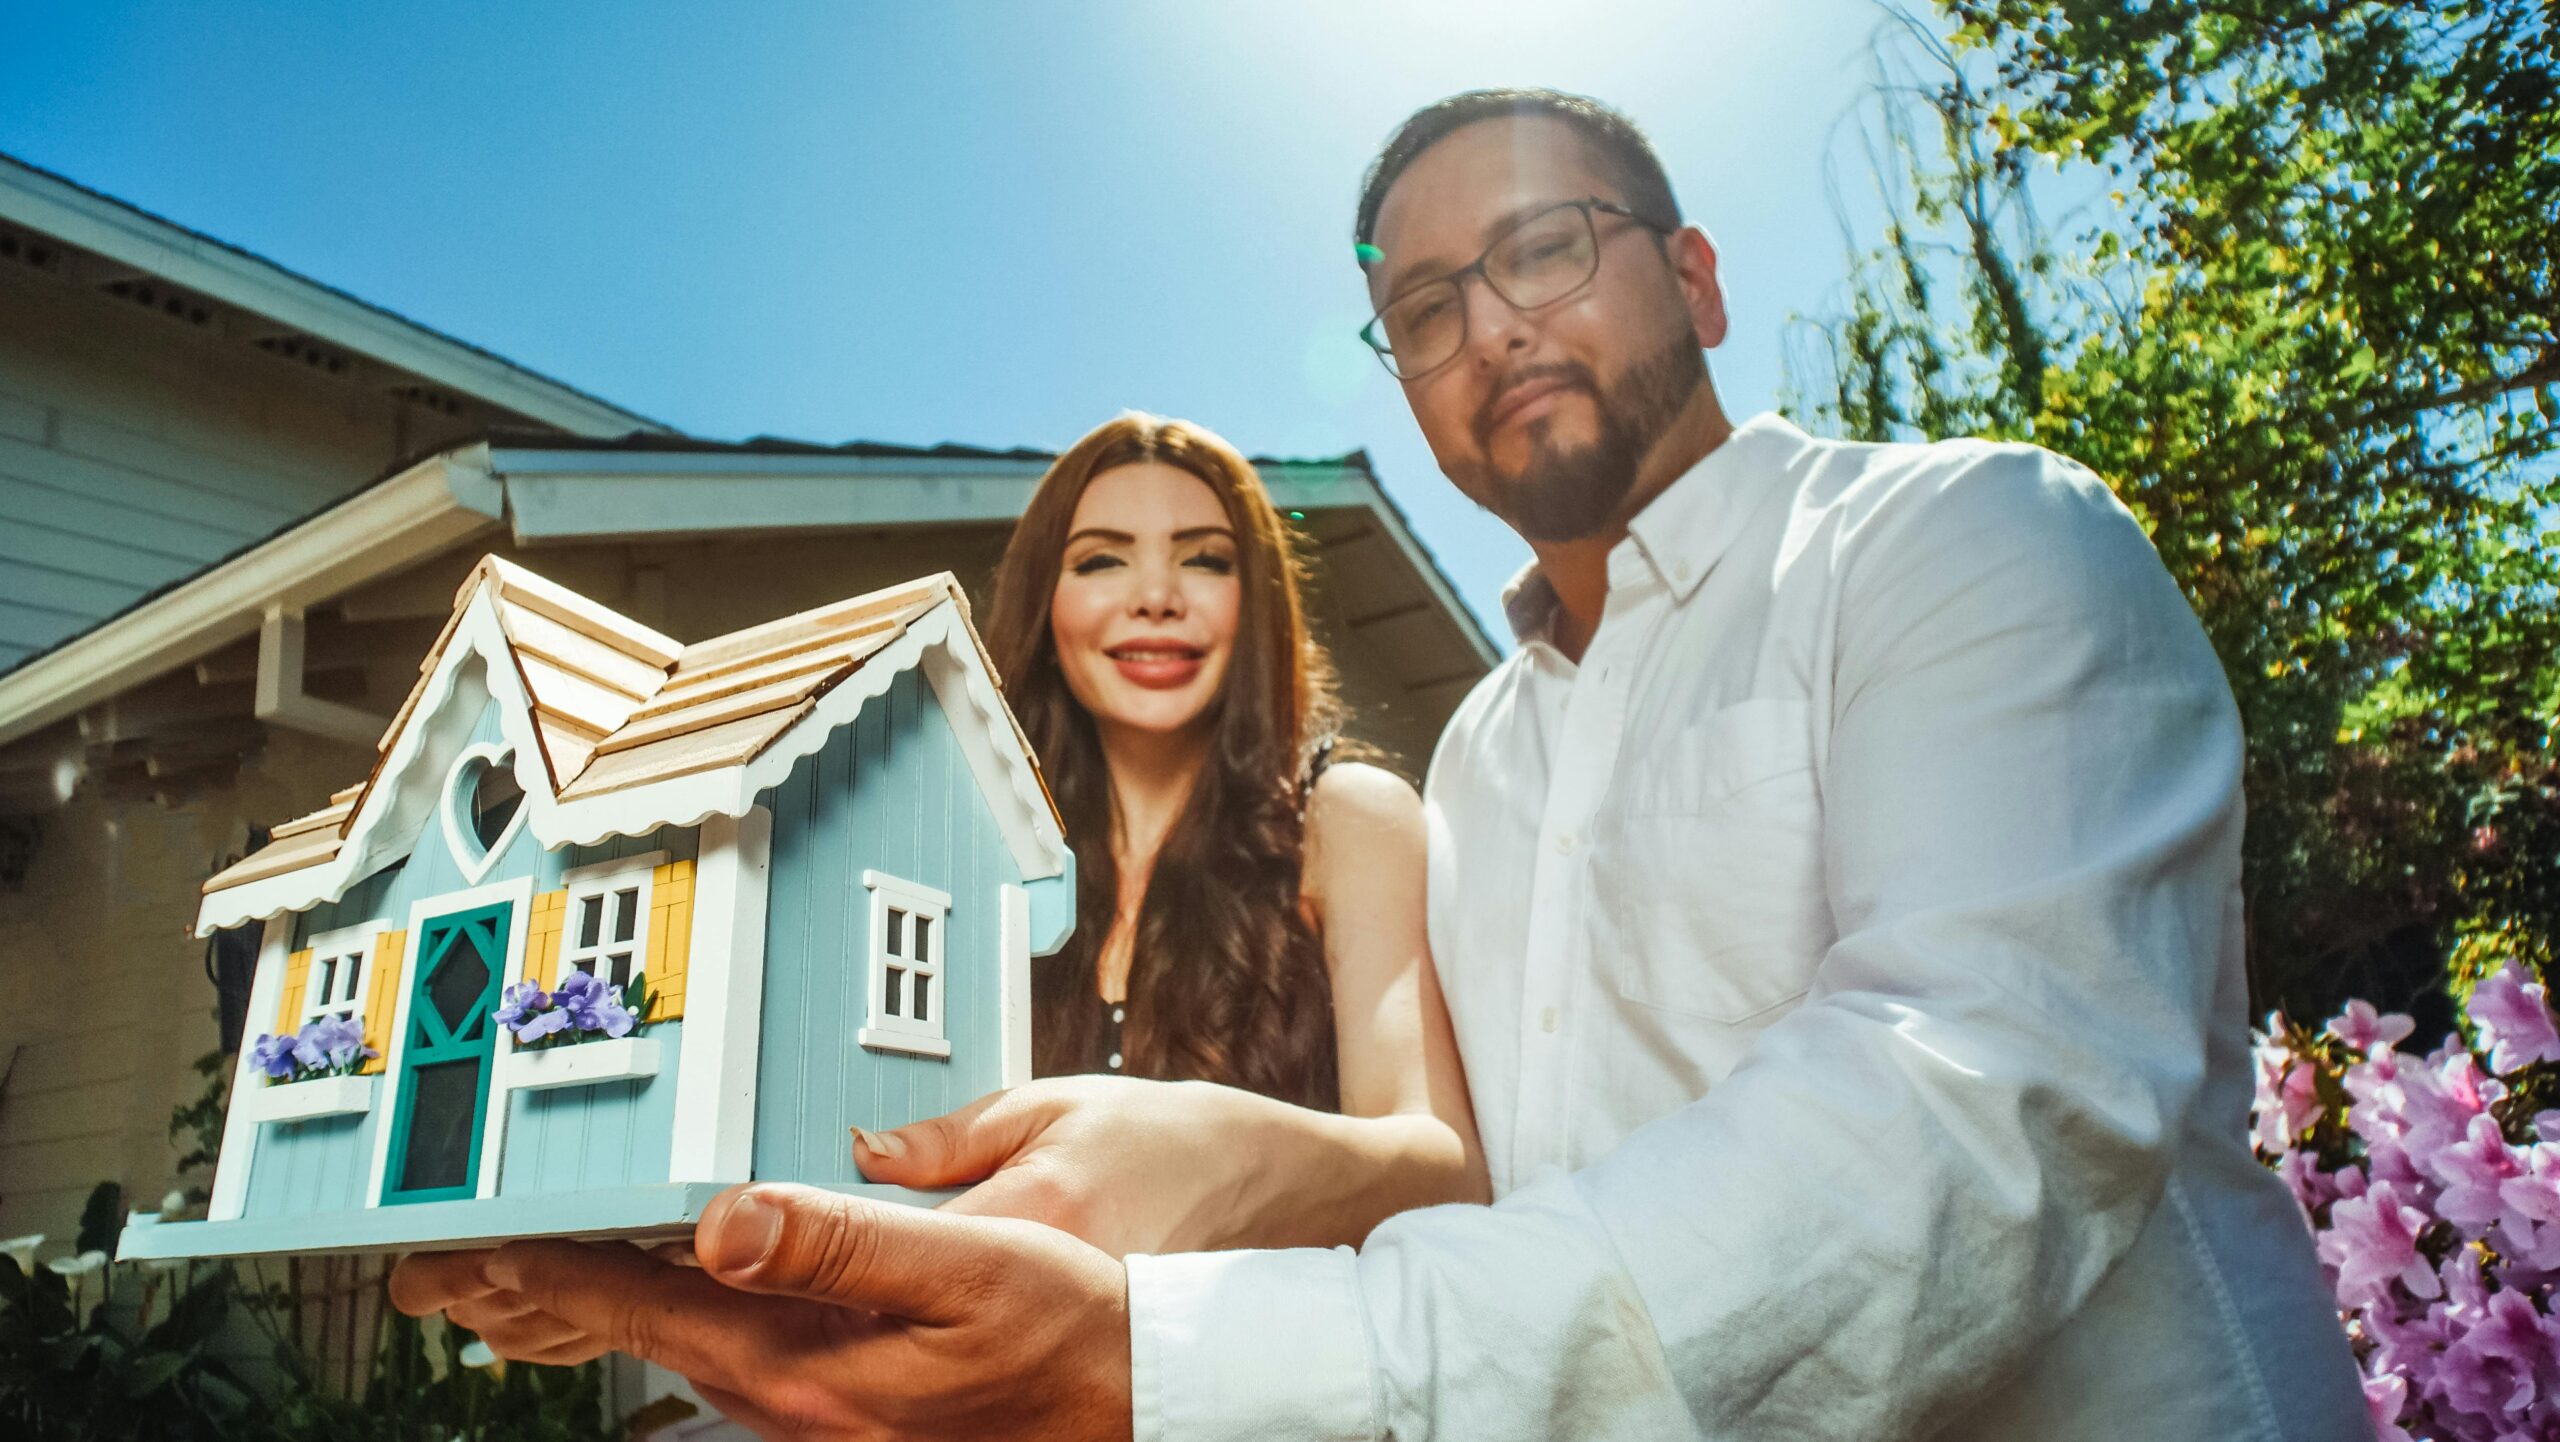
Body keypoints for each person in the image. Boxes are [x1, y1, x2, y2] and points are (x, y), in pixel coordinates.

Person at [390, 89, 2371, 1440]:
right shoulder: (1492, 753)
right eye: (1421, 306)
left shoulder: (1967, 547)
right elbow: (1501, 1191)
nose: (1487, 324)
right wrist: (672, 1276)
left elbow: (1970, 1119)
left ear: (1689, 279)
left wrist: (1192, 1345)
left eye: (1543, 248)